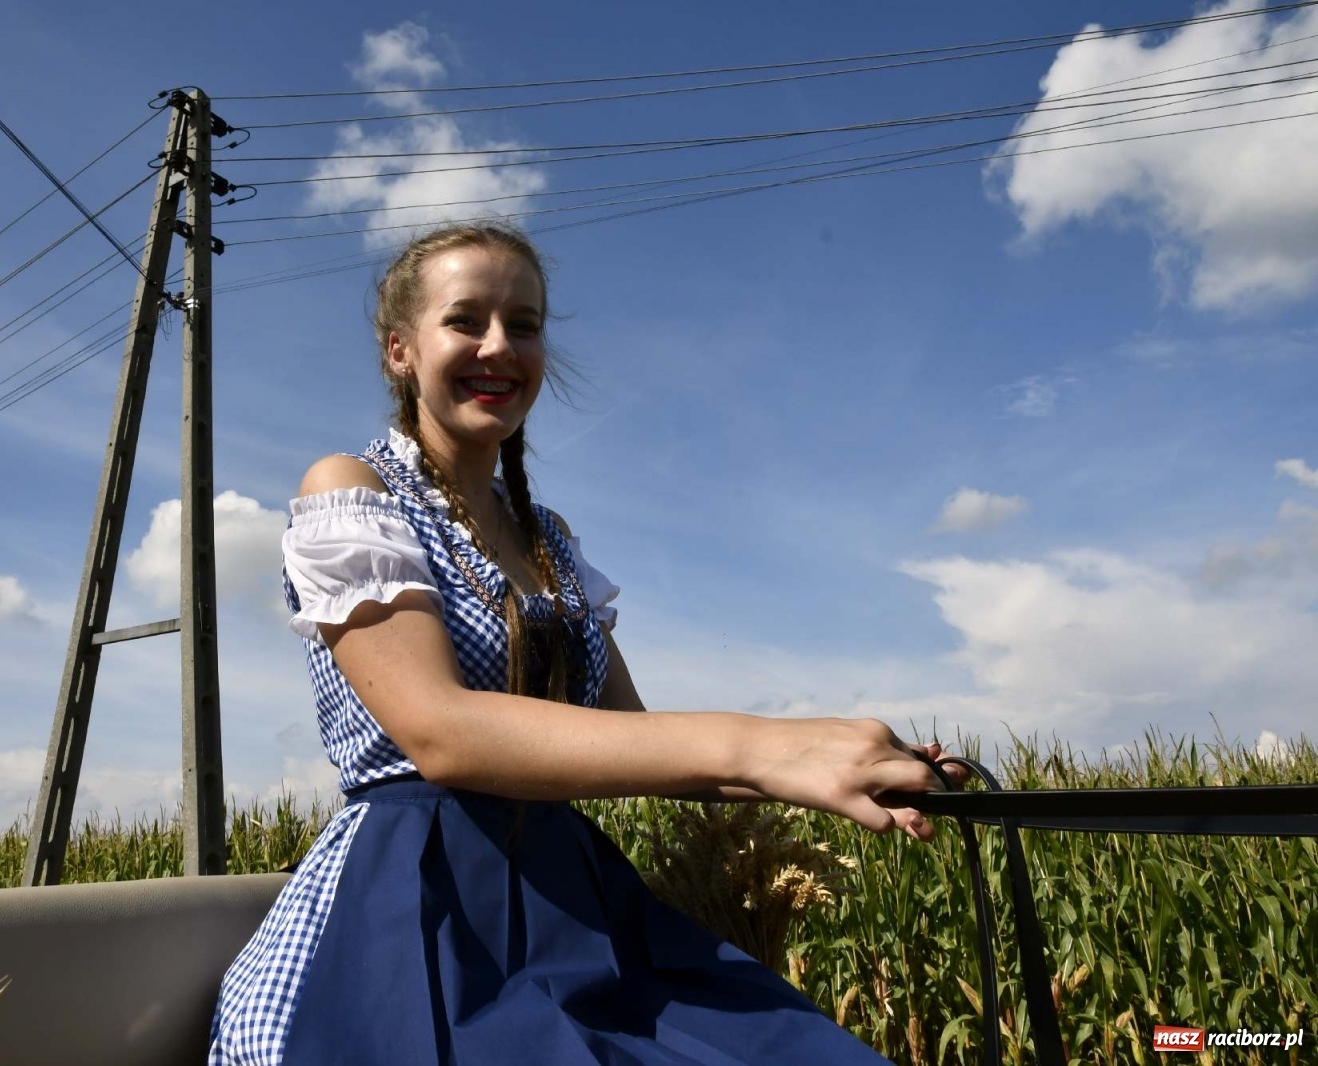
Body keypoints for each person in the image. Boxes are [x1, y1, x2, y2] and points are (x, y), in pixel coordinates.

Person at [209, 222, 967, 1065]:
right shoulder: (354, 489)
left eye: (523, 325)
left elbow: (635, 736)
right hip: (419, 904)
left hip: (572, 904)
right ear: (400, 352)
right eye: (465, 320)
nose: (499, 345)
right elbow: (439, 732)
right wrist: (765, 746)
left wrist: (843, 764)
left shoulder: (550, 541)